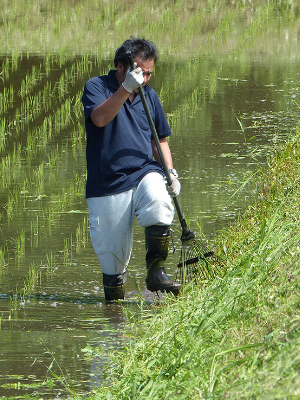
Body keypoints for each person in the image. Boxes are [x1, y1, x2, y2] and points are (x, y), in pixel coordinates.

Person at [82, 37, 182, 302]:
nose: (145, 79)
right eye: (140, 71)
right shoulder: (97, 87)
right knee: (113, 267)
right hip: (107, 183)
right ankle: (114, 314)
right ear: (121, 67)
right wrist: (125, 89)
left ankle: (155, 271)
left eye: (149, 73)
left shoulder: (149, 95)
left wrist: (170, 172)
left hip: (143, 171)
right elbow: (99, 118)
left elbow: (159, 139)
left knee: (159, 200)